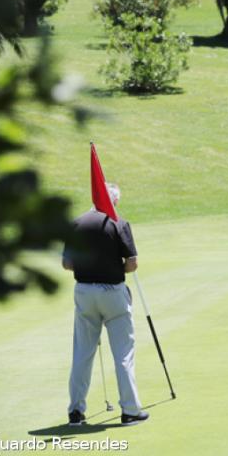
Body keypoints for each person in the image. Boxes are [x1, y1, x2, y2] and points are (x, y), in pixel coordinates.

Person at [62, 182, 150, 426]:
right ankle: (130, 410)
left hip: (84, 292)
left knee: (82, 352)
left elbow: (67, 264)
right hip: (113, 292)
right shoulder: (119, 223)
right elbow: (132, 264)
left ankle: (76, 412)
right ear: (114, 201)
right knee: (123, 353)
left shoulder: (76, 223)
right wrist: (113, 270)